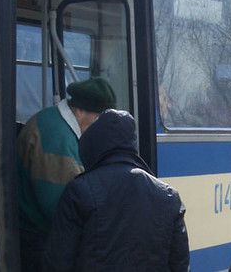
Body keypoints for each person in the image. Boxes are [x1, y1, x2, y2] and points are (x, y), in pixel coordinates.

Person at [43, 109, 190, 271]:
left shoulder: (79, 191)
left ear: (94, 143)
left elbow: (58, 261)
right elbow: (180, 264)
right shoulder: (168, 197)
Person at [16, 77, 117, 272]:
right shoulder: (57, 138)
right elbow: (63, 208)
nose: (100, 128)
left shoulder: (54, 121)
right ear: (79, 111)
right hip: (38, 240)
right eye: (97, 120)